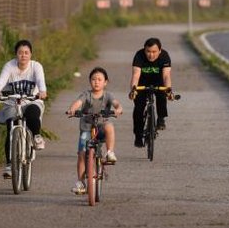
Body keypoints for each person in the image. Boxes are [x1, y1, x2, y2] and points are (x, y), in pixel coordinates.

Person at [0, 39, 48, 179]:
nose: (23, 55)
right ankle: (9, 165)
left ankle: (36, 136)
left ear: (31, 54)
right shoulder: (9, 66)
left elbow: (40, 81)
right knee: (11, 127)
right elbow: (2, 80)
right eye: (20, 53)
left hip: (31, 100)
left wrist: (43, 91)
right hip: (12, 102)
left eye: (26, 53)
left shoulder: (36, 66)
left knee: (33, 114)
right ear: (16, 54)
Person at [65, 66, 122, 195]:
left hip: (101, 127)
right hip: (87, 128)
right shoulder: (86, 95)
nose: (96, 82)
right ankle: (80, 182)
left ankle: (110, 152)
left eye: (99, 79)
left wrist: (118, 109)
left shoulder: (108, 95)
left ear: (105, 82)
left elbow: (117, 104)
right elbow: (78, 102)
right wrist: (72, 109)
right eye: (93, 79)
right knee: (81, 154)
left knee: (109, 126)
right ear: (90, 81)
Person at [129, 37, 172, 147]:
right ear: (144, 50)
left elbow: (166, 76)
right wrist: (133, 90)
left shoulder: (165, 56)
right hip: (142, 83)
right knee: (138, 109)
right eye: (148, 51)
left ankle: (161, 118)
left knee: (162, 95)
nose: (151, 55)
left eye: (154, 52)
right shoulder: (139, 55)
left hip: (158, 82)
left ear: (160, 51)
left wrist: (169, 90)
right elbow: (135, 75)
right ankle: (138, 136)